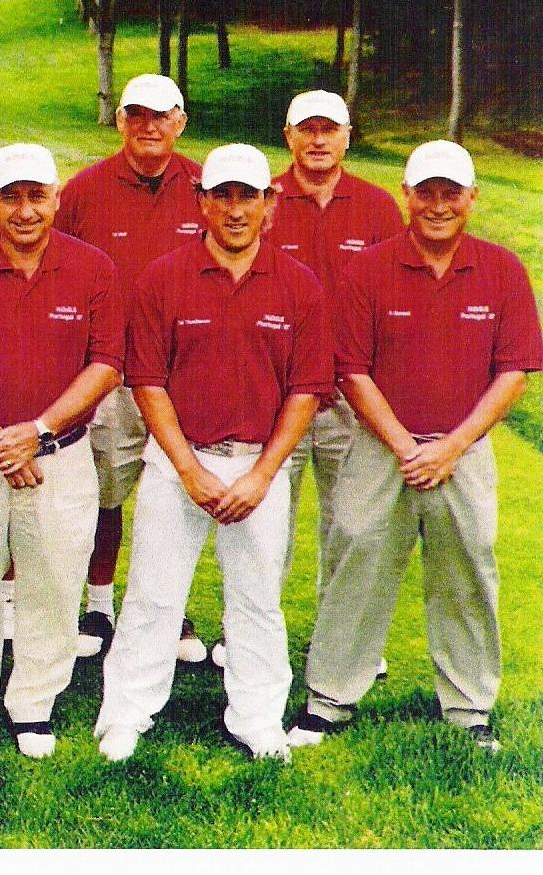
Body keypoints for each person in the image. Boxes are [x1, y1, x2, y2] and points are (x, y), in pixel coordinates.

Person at [289, 140, 541, 754]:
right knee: (358, 561)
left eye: (451, 193)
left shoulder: (502, 269)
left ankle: (469, 707)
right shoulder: (368, 269)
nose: (438, 205)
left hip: (463, 450)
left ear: (472, 198)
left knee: (467, 570)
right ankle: (329, 700)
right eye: (425, 192)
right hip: (382, 447)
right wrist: (406, 446)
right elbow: (351, 369)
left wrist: (452, 446)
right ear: (405, 196)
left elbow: (514, 371)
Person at [93, 144, 331, 763]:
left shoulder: (299, 286)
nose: (235, 209)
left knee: (257, 599)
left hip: (259, 466)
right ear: (200, 202)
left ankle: (257, 719)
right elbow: (148, 382)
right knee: (152, 594)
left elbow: (306, 390)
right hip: (178, 461)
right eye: (221, 195)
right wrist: (188, 469)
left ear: (270, 204)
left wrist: (262, 474)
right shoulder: (162, 278)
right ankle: (126, 715)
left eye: (247, 196)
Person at [0, 144, 122, 757]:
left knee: (55, 582)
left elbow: (106, 365)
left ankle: (34, 704)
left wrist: (35, 432)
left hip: (60, 454)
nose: (25, 210)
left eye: (37, 196)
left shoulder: (93, 270)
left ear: (57, 199)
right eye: (11, 197)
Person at [209, 89, 404, 672]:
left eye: (329, 130)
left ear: (347, 136)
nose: (318, 140)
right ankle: (246, 634)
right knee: (263, 520)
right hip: (277, 392)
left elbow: (391, 296)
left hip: (351, 394)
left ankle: (341, 641)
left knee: (351, 522)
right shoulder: (261, 198)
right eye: (307, 129)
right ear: (288, 136)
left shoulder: (375, 207)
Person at [54, 73, 206, 661]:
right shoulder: (85, 190)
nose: (149, 127)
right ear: (120, 121)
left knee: (176, 495)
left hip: (185, 369)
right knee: (106, 493)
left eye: (161, 116)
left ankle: (171, 611)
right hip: (111, 370)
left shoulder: (206, 186)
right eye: (136, 115)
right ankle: (98, 605)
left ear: (180, 122)